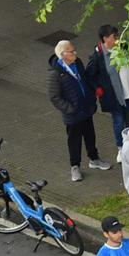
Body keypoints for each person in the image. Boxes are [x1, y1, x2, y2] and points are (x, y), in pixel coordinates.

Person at [46, 39, 109, 182]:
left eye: (74, 50)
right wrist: (70, 109)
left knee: (90, 135)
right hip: (73, 115)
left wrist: (92, 94)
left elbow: (85, 79)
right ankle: (75, 166)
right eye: (71, 51)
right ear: (63, 55)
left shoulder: (77, 63)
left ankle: (94, 159)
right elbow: (54, 97)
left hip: (86, 109)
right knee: (74, 140)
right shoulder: (55, 74)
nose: (75, 53)